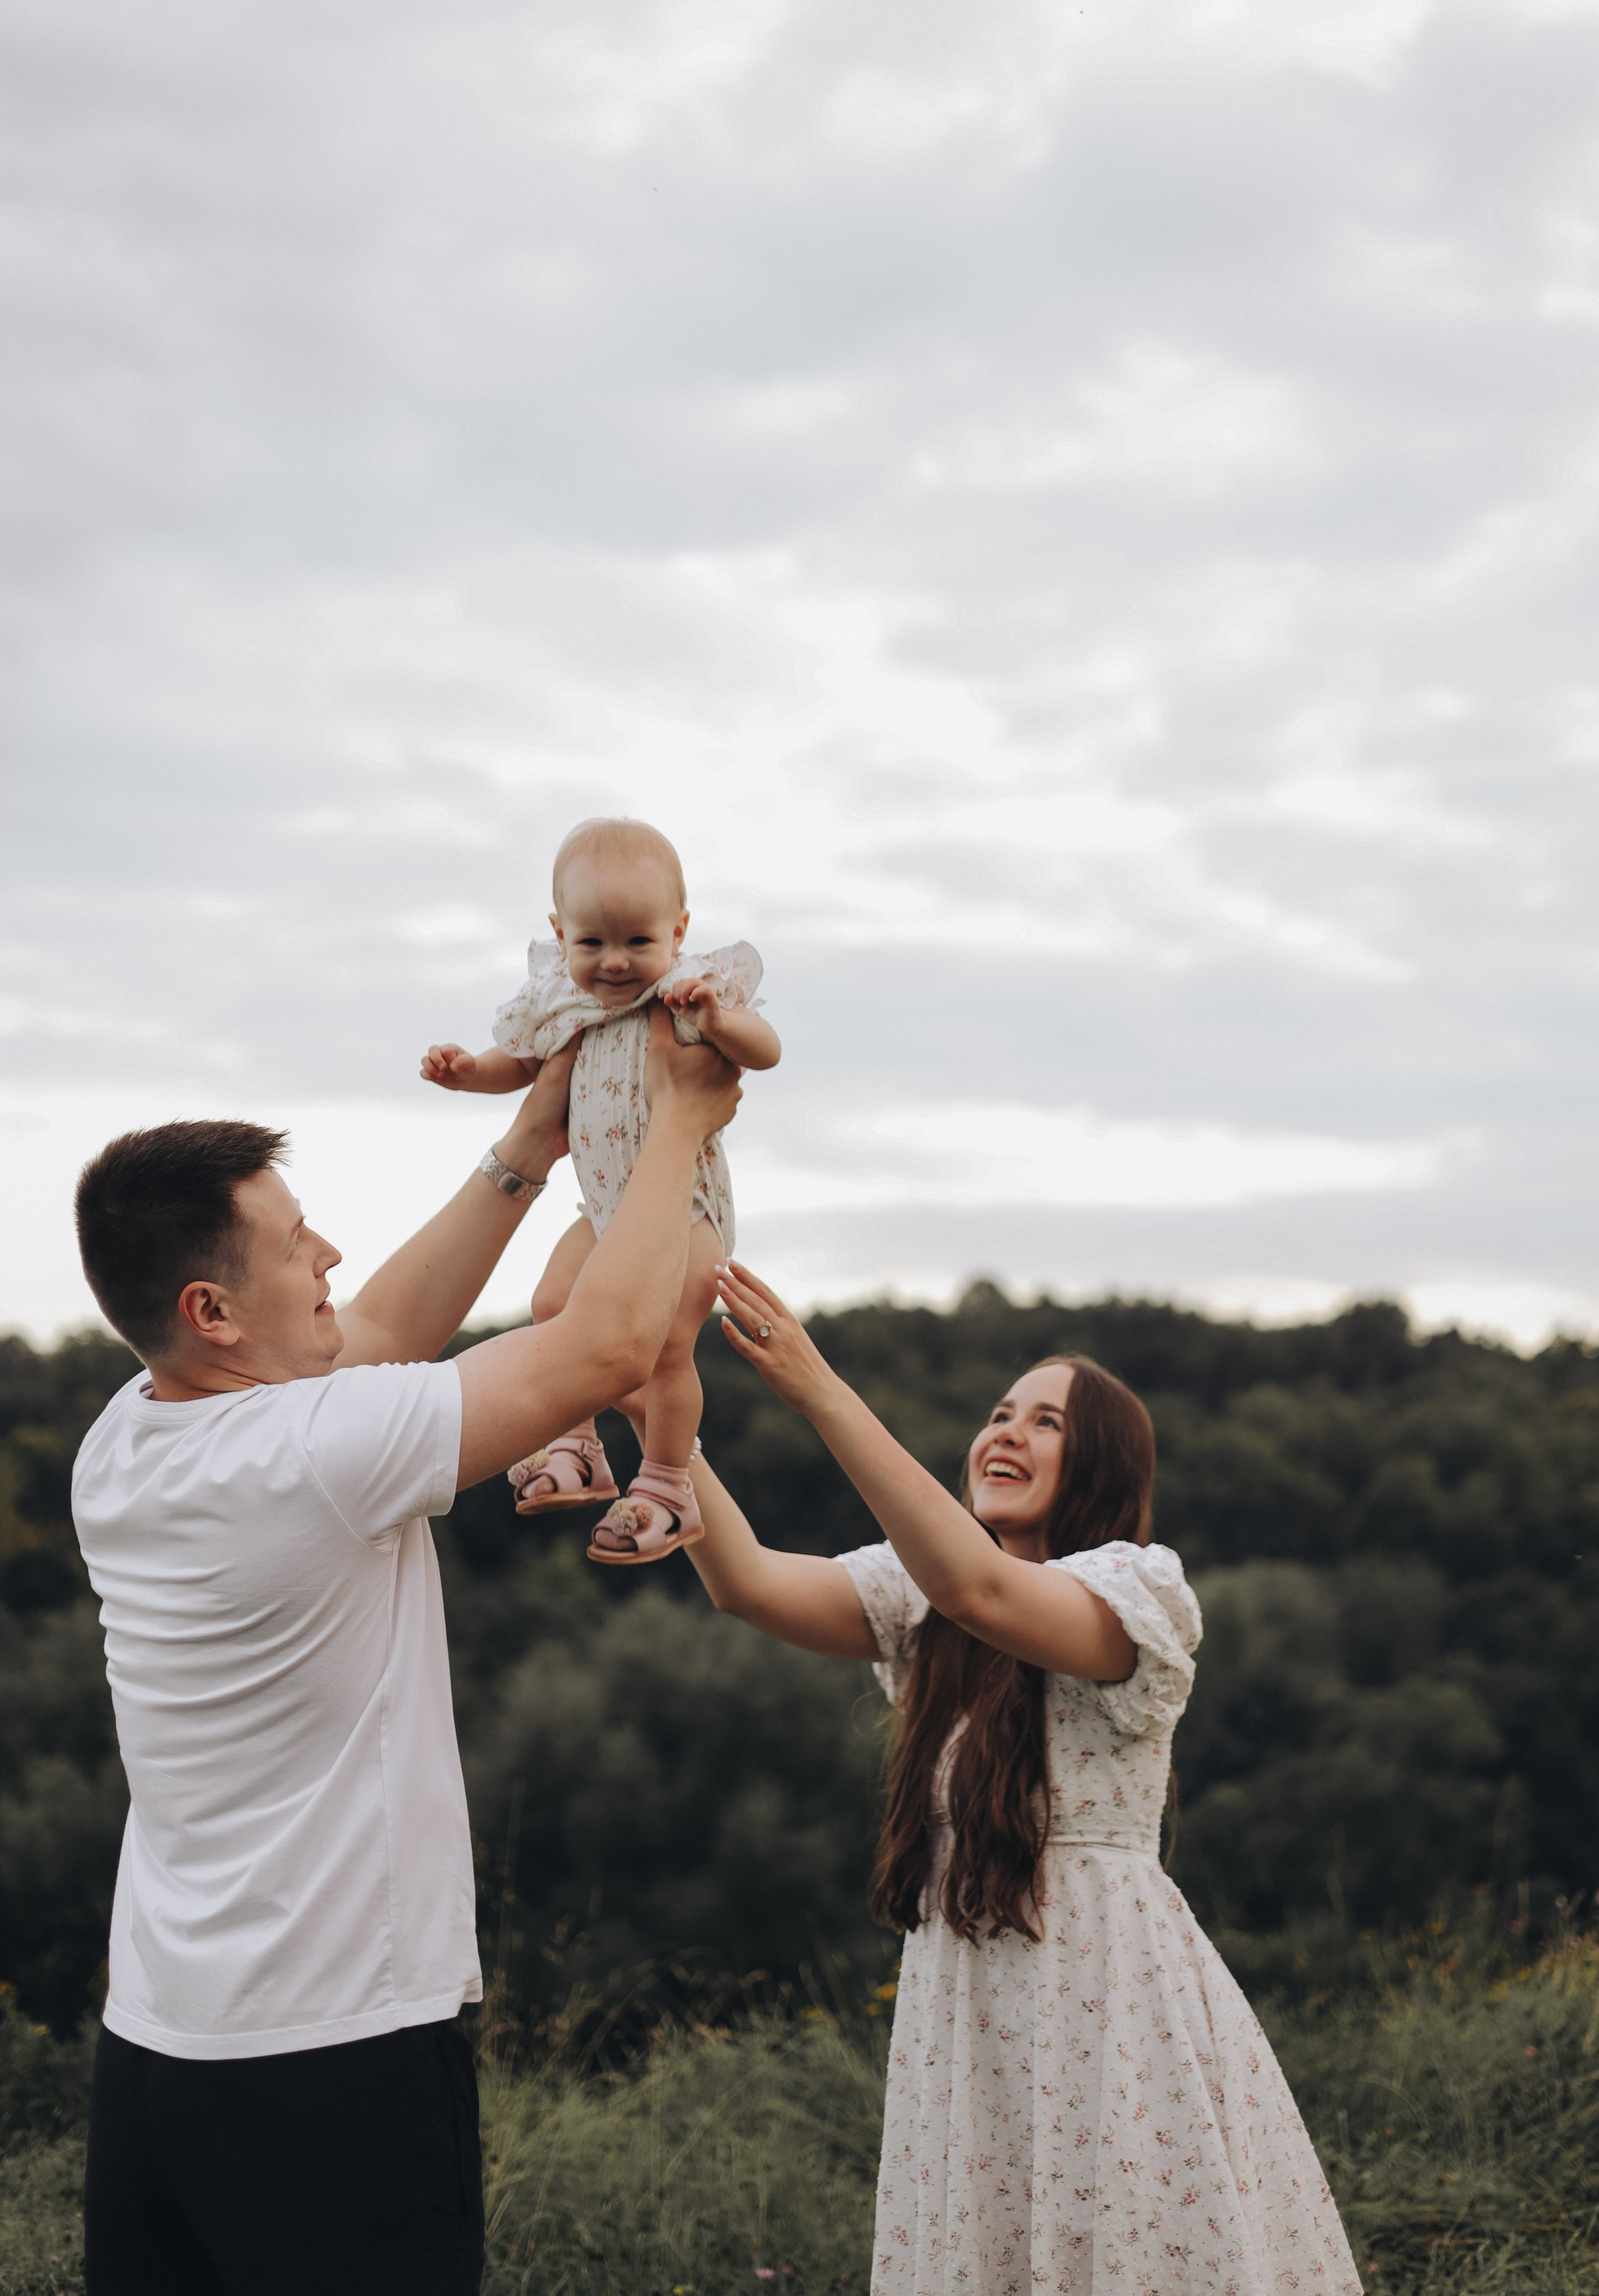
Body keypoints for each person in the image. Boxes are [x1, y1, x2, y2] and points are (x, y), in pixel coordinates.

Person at [69, 1019, 740, 2296]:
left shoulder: (126, 1436)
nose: (327, 1255)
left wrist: (527, 1147)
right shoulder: (310, 1455)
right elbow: (600, 1348)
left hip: (158, 2045)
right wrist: (678, 1127)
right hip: (334, 2053)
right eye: (291, 1244)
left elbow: (374, 1328)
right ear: (210, 1311)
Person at [685, 1258, 1364, 2296]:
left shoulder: (1137, 1590)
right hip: (968, 1991)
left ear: (1096, 1466)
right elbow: (746, 1584)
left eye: (1045, 1422)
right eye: (1000, 1413)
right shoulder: (925, 1601)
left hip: (1101, 1992)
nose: (1005, 1433)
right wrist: (656, 1421)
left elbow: (980, 1586)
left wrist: (818, 1386)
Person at [421, 815, 779, 1563]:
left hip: (686, 1214)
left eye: (638, 943)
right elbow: (516, 1066)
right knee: (555, 1308)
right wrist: (466, 1074)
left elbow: (766, 1051)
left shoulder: (688, 994)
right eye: (592, 944)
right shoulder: (561, 1006)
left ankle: (667, 1485)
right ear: (560, 934)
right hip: (605, 1209)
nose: (615, 963)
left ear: (678, 931)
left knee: (666, 1347)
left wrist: (720, 1019)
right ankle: (577, 1446)